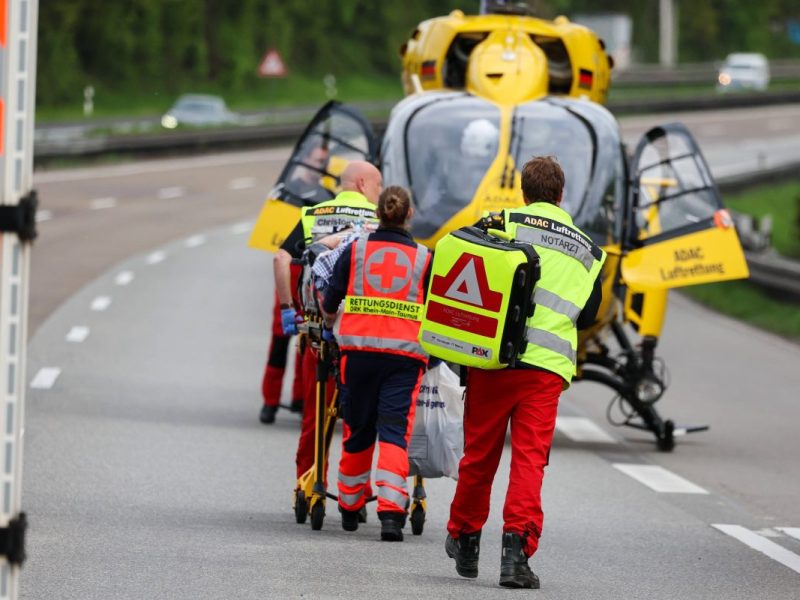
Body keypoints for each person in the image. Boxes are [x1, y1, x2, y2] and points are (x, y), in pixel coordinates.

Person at [444, 156, 605, 588]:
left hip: (495, 360)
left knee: (480, 454)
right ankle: (515, 558)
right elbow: (588, 315)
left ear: (524, 192)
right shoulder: (590, 252)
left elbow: (465, 268)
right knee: (529, 462)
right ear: (561, 194)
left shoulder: (502, 223)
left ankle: (465, 540)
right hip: (546, 371)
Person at [322, 185, 432, 542]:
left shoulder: (354, 251)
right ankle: (390, 515)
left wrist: (327, 324)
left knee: (358, 425)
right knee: (395, 431)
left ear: (379, 213)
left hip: (358, 354)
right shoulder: (424, 259)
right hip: (404, 358)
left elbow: (331, 299)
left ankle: (351, 507)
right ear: (409, 214)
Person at [274, 161, 382, 483]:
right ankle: (356, 492)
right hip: (361, 331)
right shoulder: (378, 221)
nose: (378, 194)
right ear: (363, 184)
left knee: (315, 414)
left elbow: (281, 258)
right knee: (358, 416)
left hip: (318, 329)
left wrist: (286, 308)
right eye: (377, 187)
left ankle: (307, 482)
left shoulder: (313, 215)